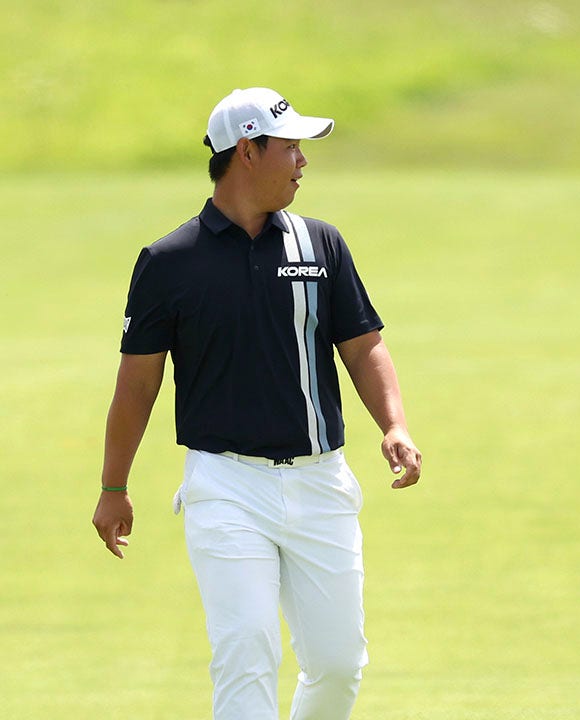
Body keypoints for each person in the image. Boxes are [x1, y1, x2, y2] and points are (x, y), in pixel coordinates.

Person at [91, 87, 423, 720]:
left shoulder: (321, 245)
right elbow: (137, 383)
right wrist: (114, 486)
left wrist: (394, 424)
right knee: (246, 651)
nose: (302, 161)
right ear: (247, 151)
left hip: (321, 481)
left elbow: (363, 347)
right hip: (226, 487)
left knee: (338, 665)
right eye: (290, 147)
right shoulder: (168, 261)